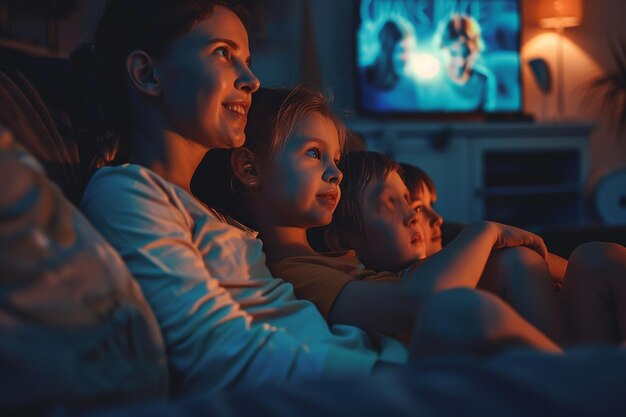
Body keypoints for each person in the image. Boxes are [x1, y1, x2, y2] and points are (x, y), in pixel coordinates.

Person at [78, 0, 556, 398]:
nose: (251, 79)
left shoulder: (220, 217)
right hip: (353, 383)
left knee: (478, 304)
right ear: (147, 73)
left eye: (248, 59)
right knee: (464, 315)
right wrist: (392, 381)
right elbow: (217, 354)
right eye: (224, 54)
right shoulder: (128, 191)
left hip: (371, 359)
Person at [198, 86, 561, 353]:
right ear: (249, 168)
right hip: (433, 354)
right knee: (469, 305)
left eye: (336, 161)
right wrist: (485, 230)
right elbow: (416, 303)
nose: (336, 174)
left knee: (577, 261)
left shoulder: (340, 257)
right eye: (314, 153)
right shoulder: (295, 273)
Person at [399, 162, 626, 345]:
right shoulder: (416, 278)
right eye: (419, 208)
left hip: (578, 324)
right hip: (557, 357)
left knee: (595, 255)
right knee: (522, 260)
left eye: (433, 205)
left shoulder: (459, 240)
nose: (438, 218)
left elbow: (564, 269)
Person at [437, 13, 497, 111]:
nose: (460, 62)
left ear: (477, 52)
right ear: (442, 49)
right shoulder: (430, 82)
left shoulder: (484, 80)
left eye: (467, 54)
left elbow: (487, 122)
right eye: (453, 53)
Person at [361, 19, 420, 111]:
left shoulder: (413, 86)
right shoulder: (361, 78)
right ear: (386, 51)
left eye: (410, 50)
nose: (408, 57)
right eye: (401, 51)